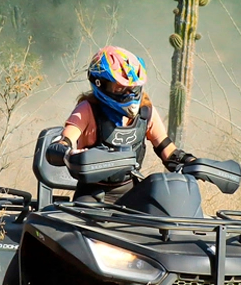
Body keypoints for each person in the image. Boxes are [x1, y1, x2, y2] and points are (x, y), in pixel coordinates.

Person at [46, 46, 193, 200]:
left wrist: (192, 163)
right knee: (83, 223)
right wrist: (67, 153)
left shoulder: (145, 111)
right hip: (92, 195)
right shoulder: (88, 109)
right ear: (100, 83)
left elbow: (168, 151)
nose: (129, 93)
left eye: (132, 87)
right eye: (120, 87)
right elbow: (62, 143)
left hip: (131, 192)